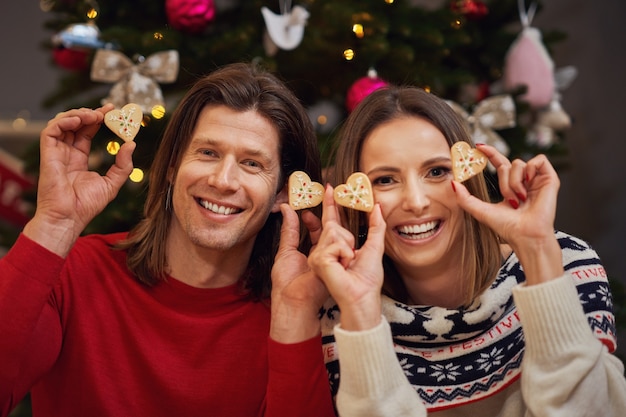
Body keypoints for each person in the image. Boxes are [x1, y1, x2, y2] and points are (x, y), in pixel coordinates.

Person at [0, 62, 336, 417]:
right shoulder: (77, 272)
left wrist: (293, 319)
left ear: (283, 194)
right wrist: (53, 224)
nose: (223, 180)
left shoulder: (296, 313)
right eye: (208, 153)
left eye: (252, 164)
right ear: (173, 165)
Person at [308, 85, 626, 416]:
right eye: (385, 180)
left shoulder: (564, 263)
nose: (416, 202)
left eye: (436, 171)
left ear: (468, 173)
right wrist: (361, 311)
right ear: (356, 197)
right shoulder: (340, 317)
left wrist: (537, 255)